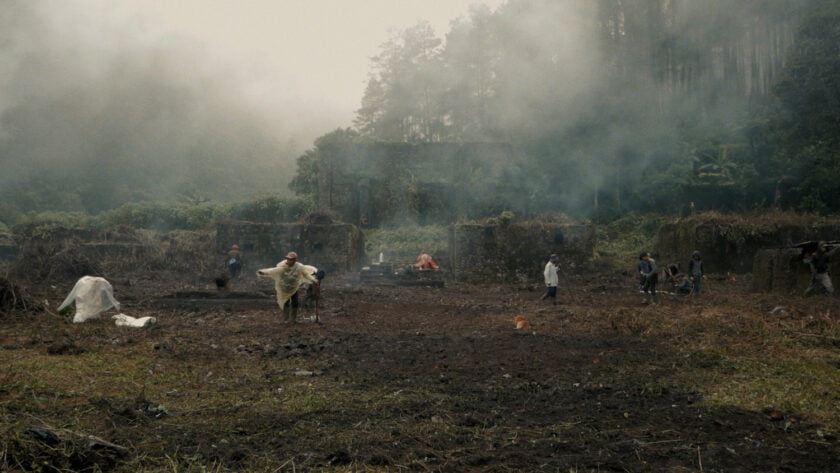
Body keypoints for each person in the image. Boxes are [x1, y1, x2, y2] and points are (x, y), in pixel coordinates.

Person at [257, 251, 318, 324]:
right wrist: (264, 273)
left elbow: (306, 274)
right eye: (288, 259)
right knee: (286, 302)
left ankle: (293, 319)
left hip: (294, 288)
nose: (289, 260)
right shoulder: (282, 267)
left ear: (294, 260)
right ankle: (286, 319)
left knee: (295, 302)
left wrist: (313, 280)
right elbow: (273, 271)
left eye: (291, 259)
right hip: (284, 288)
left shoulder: (299, 267)